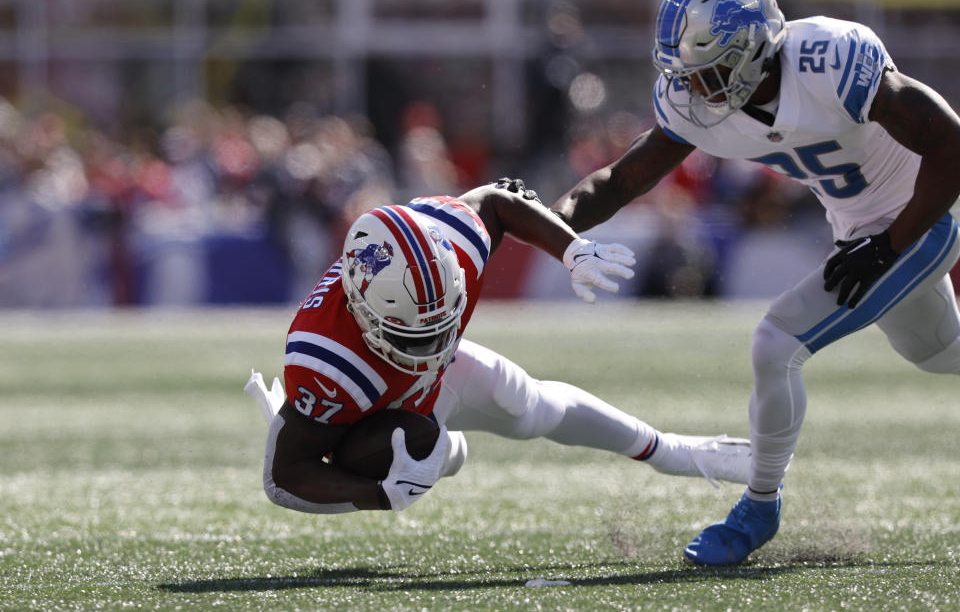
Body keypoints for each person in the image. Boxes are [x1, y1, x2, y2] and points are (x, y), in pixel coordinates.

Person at [550, 0, 960, 566]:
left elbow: (950, 144)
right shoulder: (697, 100)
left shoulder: (829, 57)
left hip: (917, 220)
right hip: (859, 232)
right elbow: (621, 180)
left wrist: (891, 243)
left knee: (776, 341)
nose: (693, 88)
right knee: (938, 351)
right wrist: (544, 224)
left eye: (709, 71)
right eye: (685, 73)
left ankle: (758, 507)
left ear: (755, 47)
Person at [244, 178, 751, 516]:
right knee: (425, 446)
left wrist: (572, 250)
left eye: (442, 323)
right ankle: (441, 449)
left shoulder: (454, 240)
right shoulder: (329, 361)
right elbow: (282, 478)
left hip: (427, 386)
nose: (432, 345)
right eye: (411, 334)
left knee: (527, 405)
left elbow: (498, 201)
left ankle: (673, 452)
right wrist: (376, 495)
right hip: (370, 411)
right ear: (362, 309)